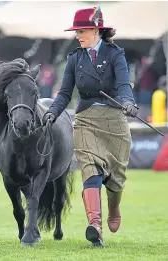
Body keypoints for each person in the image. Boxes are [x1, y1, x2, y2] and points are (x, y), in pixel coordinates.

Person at [42, 7, 138, 247]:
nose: (77, 36)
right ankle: (95, 226)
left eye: (81, 31)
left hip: (115, 119)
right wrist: (52, 113)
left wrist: (128, 102)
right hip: (85, 119)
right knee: (90, 169)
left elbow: (125, 84)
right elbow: (64, 93)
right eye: (76, 31)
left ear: (96, 30)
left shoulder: (116, 54)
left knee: (116, 179)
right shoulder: (74, 58)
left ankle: (113, 207)